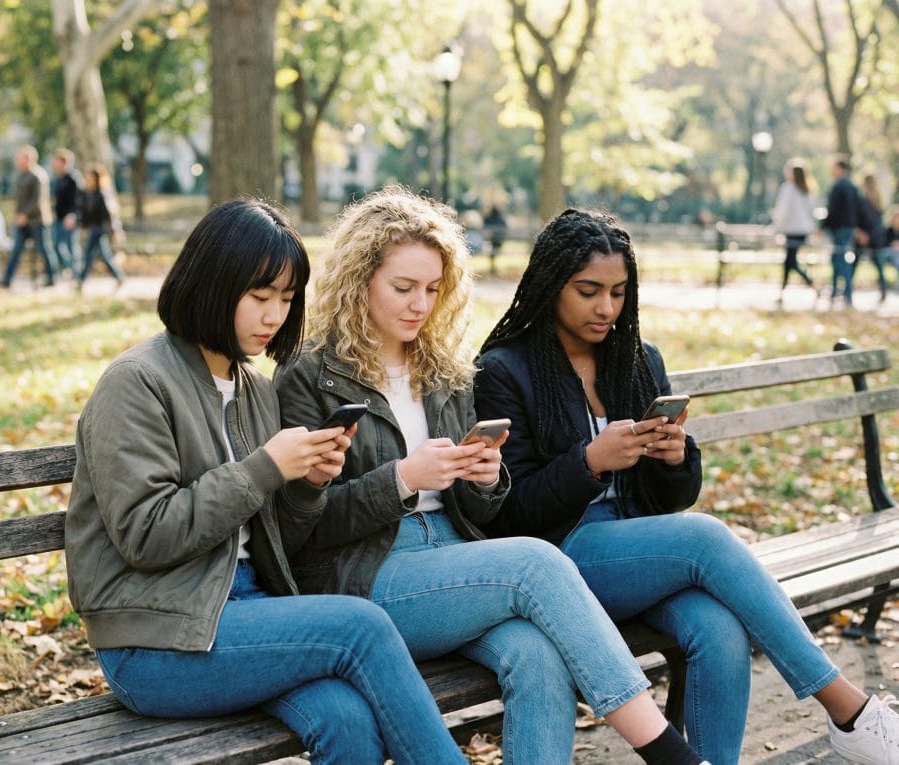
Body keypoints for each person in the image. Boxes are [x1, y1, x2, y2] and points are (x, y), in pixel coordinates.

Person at [276, 187, 707, 765]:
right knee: (536, 563)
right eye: (403, 288)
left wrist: (483, 479)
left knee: (538, 657)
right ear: (360, 282)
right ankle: (671, 755)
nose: (419, 305)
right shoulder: (310, 376)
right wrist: (402, 479)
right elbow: (302, 527)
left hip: (456, 561)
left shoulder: (443, 370)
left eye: (433, 289)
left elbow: (482, 512)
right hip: (368, 573)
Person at [474, 207, 899, 765]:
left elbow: (674, 497)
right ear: (551, 285)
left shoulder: (636, 359)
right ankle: (849, 710)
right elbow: (507, 511)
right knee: (705, 538)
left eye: (619, 292)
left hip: (639, 551)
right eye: (588, 291)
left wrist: (674, 459)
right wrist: (589, 462)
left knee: (719, 630)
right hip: (561, 559)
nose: (606, 308)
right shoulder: (505, 370)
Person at [64, 198, 469, 765]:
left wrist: (307, 484)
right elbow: (146, 536)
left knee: (347, 720)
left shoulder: (253, 389)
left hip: (248, 614)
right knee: (362, 627)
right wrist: (265, 468)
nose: (275, 315)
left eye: (286, 298)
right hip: (154, 641)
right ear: (211, 285)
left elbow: (281, 538)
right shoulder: (137, 382)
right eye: (259, 297)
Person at [0, 145, 58, 288]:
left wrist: (25, 214)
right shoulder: (20, 175)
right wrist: (18, 215)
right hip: (22, 221)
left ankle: (52, 278)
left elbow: (38, 200)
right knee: (16, 249)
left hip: (38, 220)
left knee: (44, 249)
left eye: (21, 157)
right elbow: (20, 200)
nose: (18, 160)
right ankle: (7, 279)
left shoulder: (38, 175)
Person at [770, 159, 817, 299]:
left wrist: (776, 228)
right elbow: (812, 212)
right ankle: (783, 289)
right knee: (789, 260)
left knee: (790, 261)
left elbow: (783, 211)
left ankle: (809, 281)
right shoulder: (807, 190)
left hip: (791, 230)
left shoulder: (788, 189)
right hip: (803, 230)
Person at [76, 163, 124, 288]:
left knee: (89, 254)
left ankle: (81, 280)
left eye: (89, 176)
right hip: (93, 228)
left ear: (96, 178)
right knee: (105, 256)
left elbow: (108, 214)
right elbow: (85, 213)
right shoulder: (88, 193)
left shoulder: (102, 193)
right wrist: (83, 225)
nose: (87, 178)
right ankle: (119, 277)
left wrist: (114, 231)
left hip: (101, 229)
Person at [823, 155, 861, 307]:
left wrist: (823, 226)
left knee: (840, 259)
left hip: (839, 228)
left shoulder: (839, 187)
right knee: (838, 258)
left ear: (840, 168)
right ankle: (837, 291)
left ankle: (846, 292)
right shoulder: (852, 187)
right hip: (848, 227)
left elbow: (832, 210)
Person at [853, 173, 889, 302]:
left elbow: (865, 219)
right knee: (878, 264)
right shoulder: (878, 199)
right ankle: (883, 289)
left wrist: (862, 234)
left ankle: (848, 290)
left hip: (866, 235)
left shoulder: (864, 199)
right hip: (876, 236)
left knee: (855, 262)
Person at [51, 148, 82, 277]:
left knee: (72, 246)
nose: (54, 165)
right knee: (57, 245)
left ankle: (77, 273)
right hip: (59, 218)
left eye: (57, 162)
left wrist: (72, 215)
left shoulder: (73, 178)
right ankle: (70, 269)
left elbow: (79, 200)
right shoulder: (59, 179)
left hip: (70, 218)